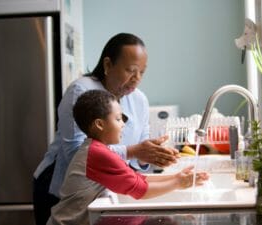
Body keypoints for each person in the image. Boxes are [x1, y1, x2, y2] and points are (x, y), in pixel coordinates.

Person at [33, 33, 179, 225]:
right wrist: (134, 151)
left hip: (103, 189)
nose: (137, 79)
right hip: (59, 190)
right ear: (108, 65)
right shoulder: (82, 90)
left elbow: (139, 154)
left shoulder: (139, 99)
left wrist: (149, 154)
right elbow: (76, 154)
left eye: (142, 72)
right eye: (131, 70)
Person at [46, 90, 208, 225]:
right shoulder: (97, 154)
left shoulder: (98, 149)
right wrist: (179, 183)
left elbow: (137, 178)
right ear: (100, 124)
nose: (123, 124)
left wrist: (175, 177)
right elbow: (141, 191)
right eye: (118, 119)